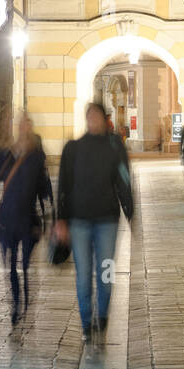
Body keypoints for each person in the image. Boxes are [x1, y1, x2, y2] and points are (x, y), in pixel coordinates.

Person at [55, 102, 133, 346]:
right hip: (79, 222)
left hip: (107, 222)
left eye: (97, 115)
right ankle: (87, 324)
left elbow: (123, 177)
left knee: (106, 273)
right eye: (89, 116)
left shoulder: (114, 145)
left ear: (104, 118)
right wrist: (60, 220)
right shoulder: (74, 148)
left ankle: (103, 315)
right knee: (83, 276)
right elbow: (63, 186)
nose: (93, 120)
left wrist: (130, 210)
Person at [0, 114, 53, 327]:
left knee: (25, 265)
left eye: (27, 125)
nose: (24, 128)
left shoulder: (37, 156)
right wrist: (4, 154)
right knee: (11, 266)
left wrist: (48, 214)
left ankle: (26, 302)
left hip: (28, 219)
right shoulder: (8, 153)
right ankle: (16, 306)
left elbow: (44, 189)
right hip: (7, 217)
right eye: (21, 125)